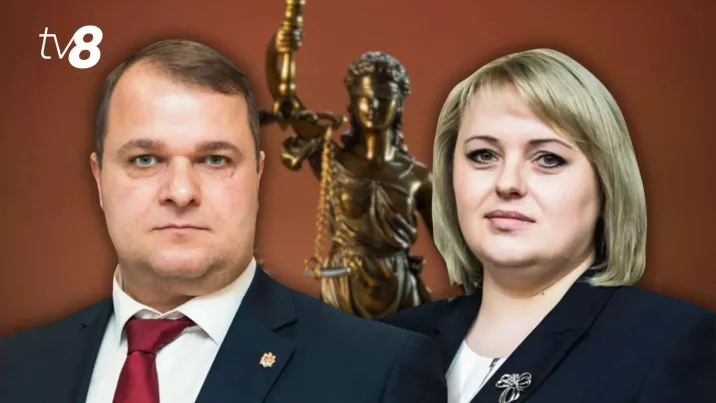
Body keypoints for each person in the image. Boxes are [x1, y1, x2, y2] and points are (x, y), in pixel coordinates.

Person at [0, 39, 446, 403]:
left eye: (214, 159)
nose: (181, 192)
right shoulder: (13, 369)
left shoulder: (379, 372)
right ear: (99, 179)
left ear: (258, 177)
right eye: (145, 159)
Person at [383, 48, 716, 403]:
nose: (508, 183)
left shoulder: (673, 343)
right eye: (484, 155)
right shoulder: (389, 343)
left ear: (606, 185)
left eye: (548, 159)